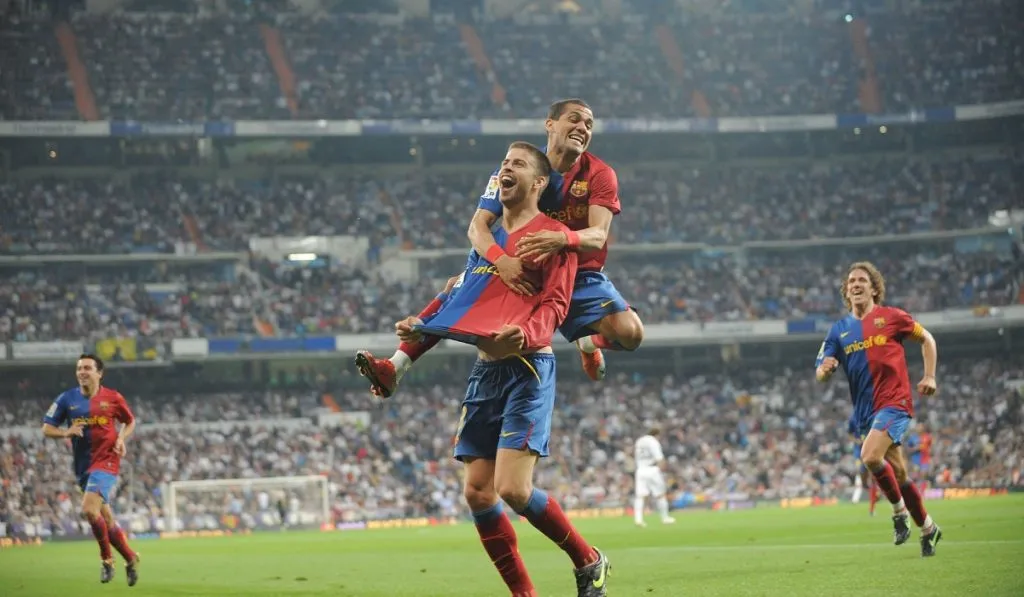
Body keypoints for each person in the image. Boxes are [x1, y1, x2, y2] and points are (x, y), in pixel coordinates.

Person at [396, 141, 609, 597]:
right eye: (503, 163)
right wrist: (422, 323)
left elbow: (555, 305)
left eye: (516, 164)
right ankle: (523, 594)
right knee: (477, 492)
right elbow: (462, 294)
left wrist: (527, 335)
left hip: (529, 368)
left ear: (537, 183)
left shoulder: (553, 237)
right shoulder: (485, 242)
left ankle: (588, 560)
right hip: (484, 372)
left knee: (512, 489)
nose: (504, 169)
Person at [356, 98, 643, 397]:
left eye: (589, 125)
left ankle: (588, 339)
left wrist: (562, 239)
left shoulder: (599, 174)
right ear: (550, 124)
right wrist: (501, 260)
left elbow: (598, 235)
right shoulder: (516, 168)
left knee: (631, 335)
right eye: (574, 119)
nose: (582, 128)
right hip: (519, 262)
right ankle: (395, 366)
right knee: (456, 285)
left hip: (577, 271)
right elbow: (477, 226)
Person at [815, 262, 942, 556]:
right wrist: (825, 369)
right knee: (898, 476)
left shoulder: (892, 317)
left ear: (874, 288)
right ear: (846, 291)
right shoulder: (838, 332)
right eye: (851, 282)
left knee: (870, 456)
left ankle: (899, 516)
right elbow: (820, 372)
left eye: (862, 280)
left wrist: (930, 375)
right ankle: (929, 529)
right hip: (865, 413)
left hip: (894, 403)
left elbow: (927, 339)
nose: (856, 284)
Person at [41, 354, 141, 585]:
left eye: (87, 368)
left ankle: (107, 560)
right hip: (82, 465)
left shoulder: (113, 398)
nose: (82, 372)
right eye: (79, 368)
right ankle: (130, 557)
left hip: (106, 461)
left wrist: (122, 438)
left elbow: (130, 421)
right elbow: (46, 428)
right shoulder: (67, 399)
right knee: (104, 516)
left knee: (88, 509)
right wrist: (66, 432)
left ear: (99, 373)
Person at [633, 425, 676, 527]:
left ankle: (638, 519)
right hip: (652, 469)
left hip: (640, 470)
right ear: (657, 434)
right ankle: (665, 518)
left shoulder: (639, 441)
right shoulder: (653, 441)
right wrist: (663, 470)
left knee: (640, 496)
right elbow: (659, 458)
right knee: (660, 495)